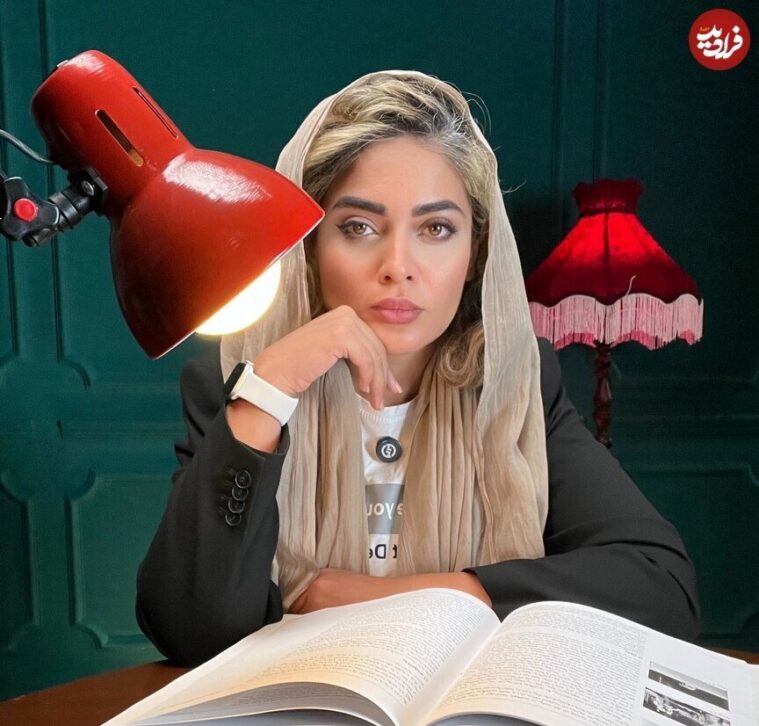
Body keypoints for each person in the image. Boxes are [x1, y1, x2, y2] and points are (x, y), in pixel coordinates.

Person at [136, 71, 699, 667]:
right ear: (310, 249)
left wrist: (405, 596)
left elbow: (662, 589)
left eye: (436, 228)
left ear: (475, 253)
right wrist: (267, 394)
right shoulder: (237, 385)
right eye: (358, 227)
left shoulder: (513, 383)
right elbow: (192, 630)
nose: (398, 266)